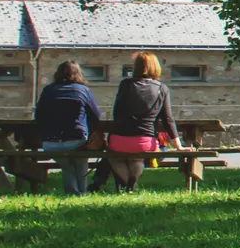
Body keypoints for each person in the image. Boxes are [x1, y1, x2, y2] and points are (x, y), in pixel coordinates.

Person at [105, 52, 180, 191]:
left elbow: (117, 111)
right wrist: (178, 145)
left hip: (118, 140)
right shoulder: (161, 88)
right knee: (137, 159)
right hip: (144, 142)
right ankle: (132, 183)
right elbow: (168, 118)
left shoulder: (125, 84)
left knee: (115, 158)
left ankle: (128, 184)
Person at [35, 60, 102, 195]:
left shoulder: (48, 90)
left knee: (67, 166)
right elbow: (96, 116)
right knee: (80, 162)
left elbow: (39, 116)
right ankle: (80, 193)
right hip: (76, 139)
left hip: (50, 141)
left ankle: (73, 192)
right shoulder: (83, 90)